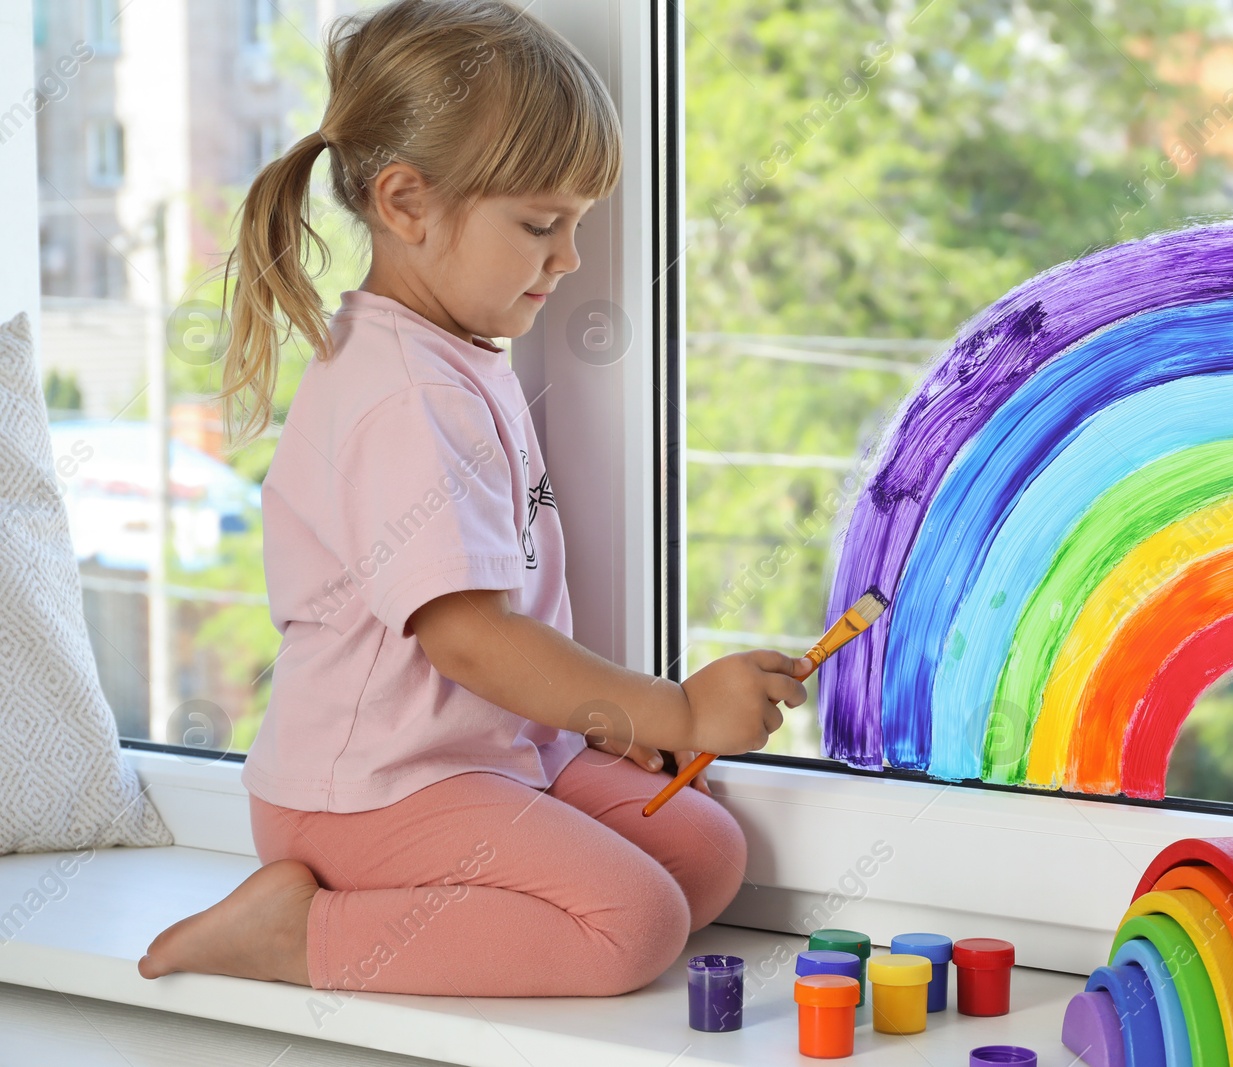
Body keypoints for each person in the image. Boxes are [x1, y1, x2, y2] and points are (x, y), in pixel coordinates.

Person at [137, 0, 807, 998]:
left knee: (702, 850)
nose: (570, 256)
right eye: (543, 224)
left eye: (577, 223)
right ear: (407, 205)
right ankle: (299, 932)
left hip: (479, 755)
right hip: (371, 792)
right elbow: (469, 639)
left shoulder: (455, 355)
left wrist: (610, 725)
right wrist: (667, 704)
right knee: (634, 923)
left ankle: (376, 912)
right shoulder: (406, 391)